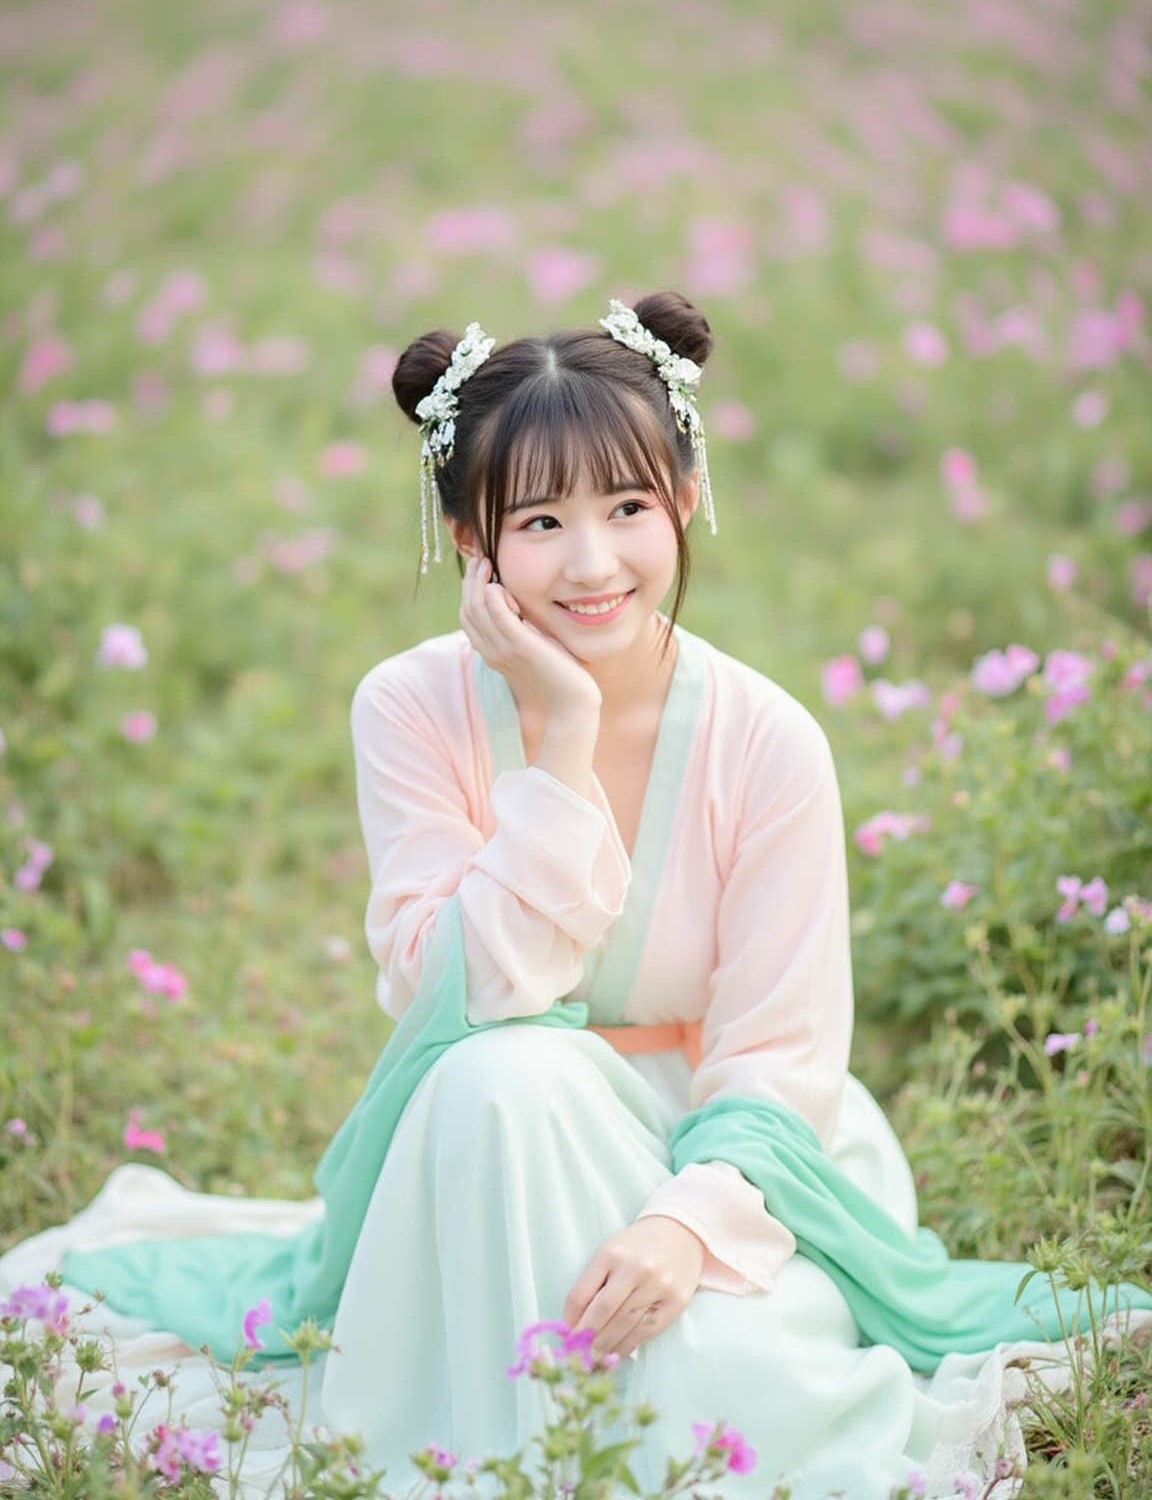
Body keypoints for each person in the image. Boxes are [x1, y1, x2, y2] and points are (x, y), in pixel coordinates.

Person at [3, 292, 1149, 1499]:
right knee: (508, 1068)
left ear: (687, 499)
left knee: (720, 1383)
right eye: (541, 521)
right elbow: (465, 990)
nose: (594, 563)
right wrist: (562, 742)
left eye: (629, 508)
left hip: (728, 1139)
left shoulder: (768, 740)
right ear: (467, 539)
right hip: (490, 1135)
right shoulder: (407, 707)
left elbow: (780, 1049)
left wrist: (683, 1227)